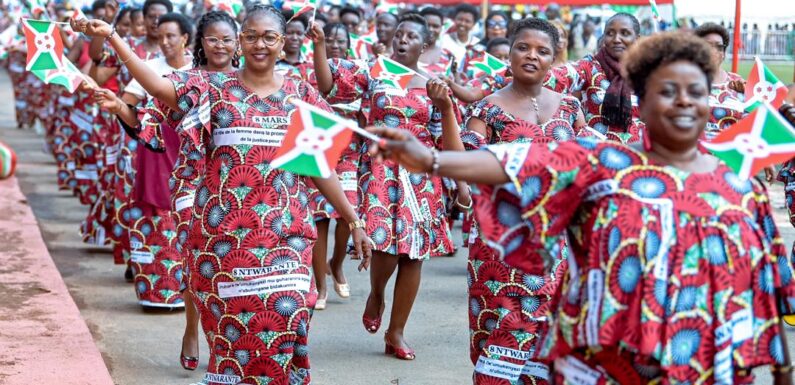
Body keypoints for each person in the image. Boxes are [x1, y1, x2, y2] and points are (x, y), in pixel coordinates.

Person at [368, 31, 795, 385]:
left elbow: (767, 293)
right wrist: (431, 160)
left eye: (695, 91)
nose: (683, 101)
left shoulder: (741, 190)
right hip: (607, 362)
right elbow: (520, 163)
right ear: (642, 101)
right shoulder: (607, 163)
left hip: (704, 364)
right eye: (667, 91)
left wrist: (782, 371)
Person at [77, 5, 372, 383]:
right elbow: (157, 87)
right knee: (235, 335)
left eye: (269, 37)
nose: (260, 44)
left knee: (289, 314)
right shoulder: (210, 89)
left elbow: (319, 167)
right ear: (241, 42)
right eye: (251, 36)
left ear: (283, 43)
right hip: (224, 240)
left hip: (287, 235)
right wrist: (114, 38)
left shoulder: (301, 93)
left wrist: (353, 219)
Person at [429, 18, 587, 385]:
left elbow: (594, 164)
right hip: (501, 247)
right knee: (503, 331)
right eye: (523, 48)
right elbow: (461, 162)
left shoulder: (570, 108)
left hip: (558, 245)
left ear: (554, 59)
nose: (532, 56)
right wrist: (448, 111)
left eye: (542, 51)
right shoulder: (488, 109)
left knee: (550, 333)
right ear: (510, 54)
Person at [312, 12, 455, 360]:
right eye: (399, 34)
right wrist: (319, 46)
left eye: (411, 36)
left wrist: (446, 106)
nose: (402, 40)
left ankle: (396, 332)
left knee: (415, 254)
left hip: (421, 177)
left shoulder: (434, 83)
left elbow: (448, 143)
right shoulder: (373, 70)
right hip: (379, 170)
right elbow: (328, 85)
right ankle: (377, 294)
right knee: (386, 247)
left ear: (425, 44)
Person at [77, 12, 195, 310]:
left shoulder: (200, 69)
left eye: (171, 36)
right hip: (154, 152)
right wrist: (119, 106)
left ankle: (189, 295)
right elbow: (128, 105)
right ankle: (155, 292)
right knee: (154, 216)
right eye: (161, 35)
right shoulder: (149, 67)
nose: (165, 41)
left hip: (190, 155)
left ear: (185, 38)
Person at [548, 13, 644, 143]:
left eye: (625, 33)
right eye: (610, 33)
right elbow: (558, 77)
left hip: (638, 151)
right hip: (597, 151)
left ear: (637, 39)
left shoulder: (648, 72)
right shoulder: (589, 66)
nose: (616, 39)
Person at [693, 22, 746, 140]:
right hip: (695, 150)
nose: (713, 51)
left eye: (719, 47)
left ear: (724, 53)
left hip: (729, 149)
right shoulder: (686, 82)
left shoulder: (738, 83)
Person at [419, 7, 454, 76]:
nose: (431, 29)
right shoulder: (407, 52)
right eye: (427, 25)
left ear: (441, 28)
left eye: (435, 26)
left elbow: (454, 79)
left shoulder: (448, 56)